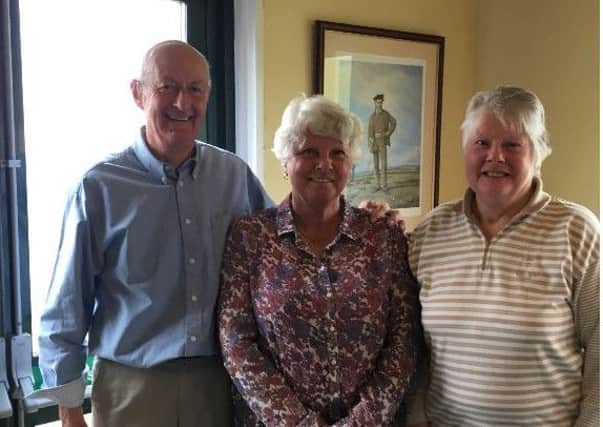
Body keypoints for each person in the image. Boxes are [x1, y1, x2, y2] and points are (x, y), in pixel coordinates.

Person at [36, 40, 273, 427]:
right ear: (138, 92)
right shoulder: (99, 187)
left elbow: (288, 242)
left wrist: (361, 217)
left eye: (195, 89)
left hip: (220, 383)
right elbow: (66, 306)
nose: (182, 102)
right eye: (167, 86)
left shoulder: (234, 176)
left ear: (207, 96)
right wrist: (69, 407)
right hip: (130, 389)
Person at [218, 94, 420, 426]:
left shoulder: (383, 236)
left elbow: (404, 339)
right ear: (285, 162)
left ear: (350, 163)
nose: (324, 164)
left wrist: (361, 422)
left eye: (337, 153)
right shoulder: (250, 237)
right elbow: (236, 341)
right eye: (309, 151)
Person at [407, 86, 599, 426]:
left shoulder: (576, 230)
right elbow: (418, 351)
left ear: (538, 153)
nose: (495, 156)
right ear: (465, 149)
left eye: (512, 144)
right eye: (482, 143)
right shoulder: (431, 231)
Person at [368, 94, 397, 190]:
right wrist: (371, 139)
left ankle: (384, 186)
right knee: (376, 165)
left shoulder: (386, 114)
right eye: (378, 102)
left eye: (381, 102)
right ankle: (377, 185)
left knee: (383, 164)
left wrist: (387, 133)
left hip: (382, 142)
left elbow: (394, 122)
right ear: (375, 103)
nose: (379, 104)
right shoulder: (372, 116)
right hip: (374, 143)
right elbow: (369, 131)